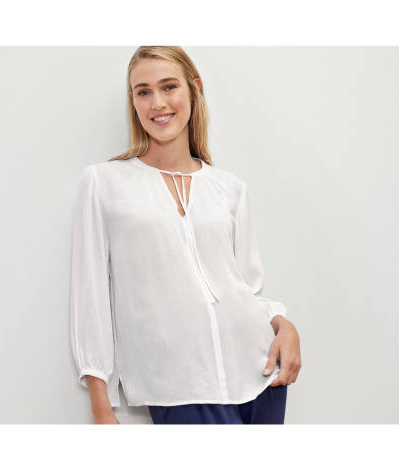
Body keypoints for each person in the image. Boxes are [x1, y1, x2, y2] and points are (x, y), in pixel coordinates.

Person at [70, 46, 302, 425]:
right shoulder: (104, 182)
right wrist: (101, 406)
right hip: (179, 384)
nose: (157, 103)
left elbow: (248, 288)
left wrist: (283, 324)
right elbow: (90, 296)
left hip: (261, 372)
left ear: (194, 90)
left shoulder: (229, 188)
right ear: (133, 101)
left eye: (169, 86)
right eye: (143, 91)